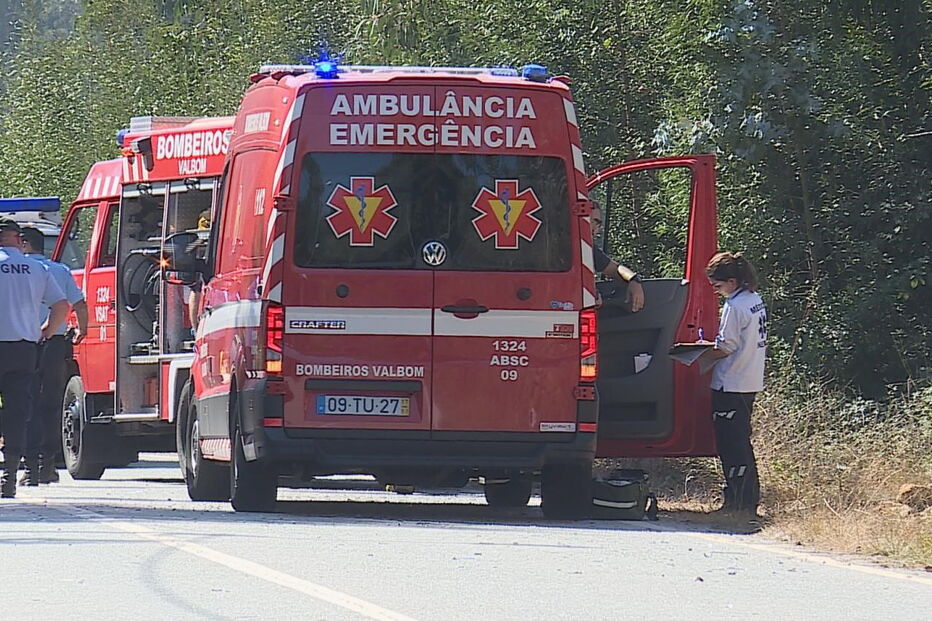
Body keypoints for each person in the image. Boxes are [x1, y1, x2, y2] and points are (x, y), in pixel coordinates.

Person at [0, 217, 68, 498]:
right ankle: (9, 476)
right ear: (18, 239)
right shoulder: (36, 268)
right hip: (23, 350)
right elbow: (62, 305)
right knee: (17, 410)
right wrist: (46, 332)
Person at [698, 251, 767, 517]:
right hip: (749, 379)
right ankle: (747, 497)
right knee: (742, 442)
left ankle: (738, 500)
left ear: (732, 281)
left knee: (730, 444)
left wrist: (698, 354)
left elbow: (726, 346)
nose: (715, 291)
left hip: (731, 382)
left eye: (718, 285)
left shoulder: (734, 307)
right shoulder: (755, 300)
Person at [19, 226, 87, 485]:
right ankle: (47, 464)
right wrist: (82, 330)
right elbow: (78, 304)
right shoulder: (59, 270)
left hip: (22, 343)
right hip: (55, 344)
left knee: (26, 403)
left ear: (24, 244)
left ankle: (30, 465)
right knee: (51, 403)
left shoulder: (19, 272)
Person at [590, 202, 645, 312]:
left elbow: (616, 269)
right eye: (594, 221)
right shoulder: (557, 248)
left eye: (597, 223)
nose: (595, 228)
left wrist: (634, 279)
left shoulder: (589, 250)